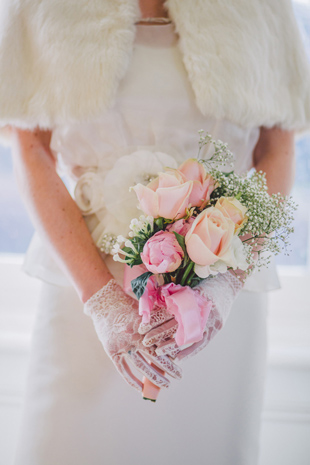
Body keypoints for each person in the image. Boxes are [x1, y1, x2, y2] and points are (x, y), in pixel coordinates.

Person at [0, 0, 309, 464]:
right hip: (84, 282)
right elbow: (31, 151)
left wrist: (225, 284)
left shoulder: (263, 7)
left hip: (222, 289)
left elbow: (278, 153)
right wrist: (102, 303)